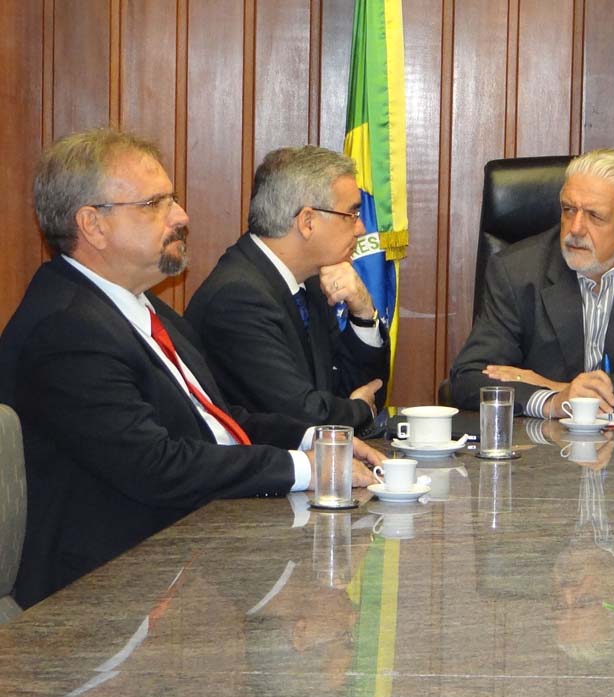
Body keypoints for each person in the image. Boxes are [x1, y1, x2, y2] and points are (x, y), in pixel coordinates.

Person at [0, 129, 382, 607]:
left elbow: (219, 421)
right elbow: (157, 466)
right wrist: (307, 468)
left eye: (173, 199)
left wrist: (321, 442)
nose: (182, 217)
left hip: (188, 556)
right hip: (105, 599)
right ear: (93, 225)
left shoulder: (145, 310)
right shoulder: (65, 330)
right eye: (155, 203)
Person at [448, 148, 614, 417]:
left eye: (595, 216)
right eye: (569, 210)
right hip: (542, 449)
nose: (575, 228)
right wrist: (552, 401)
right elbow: (469, 379)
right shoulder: (515, 271)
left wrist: (557, 388)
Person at [185, 146, 388, 433]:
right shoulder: (237, 298)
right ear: (307, 222)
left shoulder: (309, 284)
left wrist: (363, 313)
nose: (361, 229)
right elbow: (302, 415)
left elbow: (361, 389)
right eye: (352, 214)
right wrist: (360, 410)